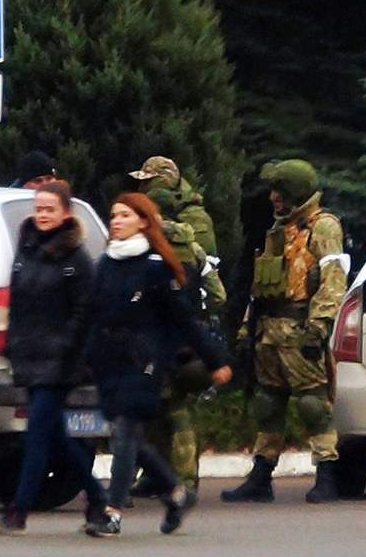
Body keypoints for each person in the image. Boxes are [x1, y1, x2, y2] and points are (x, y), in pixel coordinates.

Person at [83, 192, 233, 536]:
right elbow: (91, 316)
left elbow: (185, 321)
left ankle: (112, 513)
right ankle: (177, 494)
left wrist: (215, 360)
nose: (116, 221)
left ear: (143, 222)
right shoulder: (105, 264)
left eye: (124, 215)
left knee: (123, 432)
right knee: (131, 437)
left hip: (143, 362)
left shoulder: (155, 268)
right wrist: (85, 355)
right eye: (114, 215)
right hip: (109, 360)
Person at [0, 181, 115, 537]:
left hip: (61, 362)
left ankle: (18, 512)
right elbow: (18, 302)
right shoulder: (27, 250)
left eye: (50, 209)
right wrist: (13, 343)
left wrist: (66, 348)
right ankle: (98, 498)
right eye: (39, 208)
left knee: (36, 437)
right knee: (57, 434)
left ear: (65, 214)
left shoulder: (77, 259)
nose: (42, 215)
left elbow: (84, 313)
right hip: (29, 356)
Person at [222, 160, 347, 504]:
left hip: (299, 330)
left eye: (281, 191)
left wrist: (319, 326)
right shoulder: (279, 229)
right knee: (267, 404)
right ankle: (261, 476)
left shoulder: (322, 227)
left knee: (312, 405)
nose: (274, 197)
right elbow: (261, 286)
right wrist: (248, 327)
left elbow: (333, 280)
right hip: (269, 331)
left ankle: (327, 473)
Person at [128, 156, 228, 499]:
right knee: (174, 407)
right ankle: (178, 478)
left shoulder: (145, 244)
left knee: (159, 407)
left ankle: (164, 477)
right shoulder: (192, 243)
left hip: (153, 338)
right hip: (186, 335)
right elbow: (217, 293)